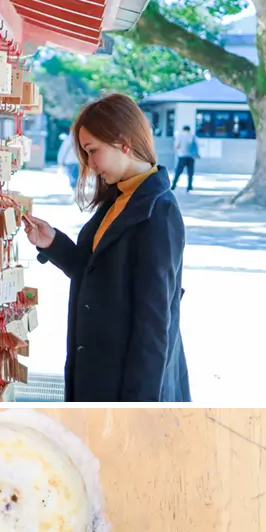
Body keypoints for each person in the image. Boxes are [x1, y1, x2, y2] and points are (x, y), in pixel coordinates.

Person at [23, 92, 190, 402]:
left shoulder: (159, 211)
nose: (89, 163)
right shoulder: (120, 196)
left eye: (93, 150)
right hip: (97, 373)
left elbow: (154, 326)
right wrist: (54, 243)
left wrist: (137, 410)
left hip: (124, 386)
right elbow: (97, 274)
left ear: (123, 142)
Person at [172, 125, 200, 192]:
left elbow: (176, 146)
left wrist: (179, 150)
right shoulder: (193, 136)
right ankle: (189, 186)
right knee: (190, 172)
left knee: (178, 171)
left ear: (183, 130)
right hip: (191, 157)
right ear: (189, 130)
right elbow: (196, 146)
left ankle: (173, 185)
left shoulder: (180, 136)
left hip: (182, 156)